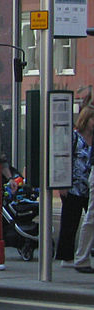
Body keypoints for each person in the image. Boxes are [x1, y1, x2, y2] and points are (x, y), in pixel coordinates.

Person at [55, 106, 94, 266]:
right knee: (70, 222)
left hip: (89, 185)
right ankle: (66, 256)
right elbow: (63, 158)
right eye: (92, 119)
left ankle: (85, 252)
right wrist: (62, 183)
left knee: (90, 221)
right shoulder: (74, 137)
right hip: (74, 185)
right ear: (85, 119)